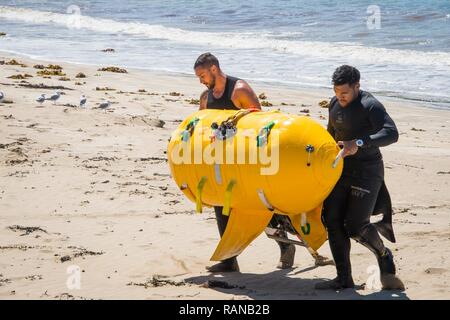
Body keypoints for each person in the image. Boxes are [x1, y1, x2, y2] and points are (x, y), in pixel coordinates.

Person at [194, 52, 296, 272]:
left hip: (246, 162)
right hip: (221, 162)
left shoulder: (239, 90)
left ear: (213, 69)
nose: (201, 81)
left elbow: (261, 123)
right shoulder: (205, 98)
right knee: (221, 204)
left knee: (260, 207)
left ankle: (286, 247)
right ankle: (230, 260)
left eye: (202, 75)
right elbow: (201, 127)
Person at [315, 65, 405, 290]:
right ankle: (343, 277)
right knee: (332, 220)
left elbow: (391, 133)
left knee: (355, 226)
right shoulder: (334, 104)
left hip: (367, 171)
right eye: (336, 92)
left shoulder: (370, 105)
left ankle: (384, 255)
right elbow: (330, 135)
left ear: (357, 86)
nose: (340, 97)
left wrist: (359, 143)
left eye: (344, 92)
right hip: (341, 170)